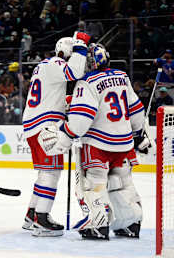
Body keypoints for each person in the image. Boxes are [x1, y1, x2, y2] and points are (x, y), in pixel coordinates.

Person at [43, 44, 149, 240]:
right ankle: (130, 222)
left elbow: (81, 119)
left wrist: (65, 135)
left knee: (93, 183)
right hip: (124, 142)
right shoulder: (122, 76)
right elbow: (135, 108)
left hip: (98, 143)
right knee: (122, 182)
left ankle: (97, 224)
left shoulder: (87, 82)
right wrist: (139, 133)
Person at [22, 32, 89, 236]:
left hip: (35, 123)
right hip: (45, 125)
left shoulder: (45, 66)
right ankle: (42, 219)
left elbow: (52, 93)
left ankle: (32, 214)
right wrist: (81, 45)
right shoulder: (56, 63)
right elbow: (75, 71)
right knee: (51, 173)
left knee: (45, 172)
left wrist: (65, 102)